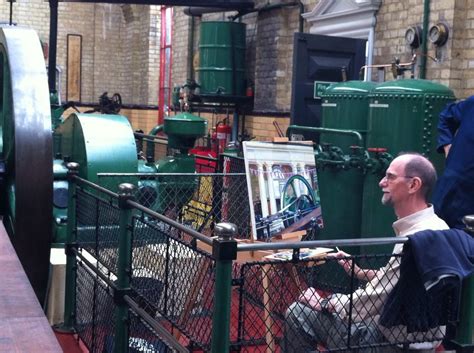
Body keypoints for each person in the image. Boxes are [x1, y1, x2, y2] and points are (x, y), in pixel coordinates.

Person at [282, 153, 449, 353]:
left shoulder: (415, 239)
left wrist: (323, 302)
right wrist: (360, 272)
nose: (381, 182)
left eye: (391, 177)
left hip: (389, 345)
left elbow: (371, 300)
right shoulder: (440, 227)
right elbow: (406, 283)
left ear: (413, 185)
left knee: (298, 312)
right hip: (419, 341)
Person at [433, 96, 474, 229]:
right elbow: (446, 116)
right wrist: (446, 144)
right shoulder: (471, 104)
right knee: (436, 235)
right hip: (452, 185)